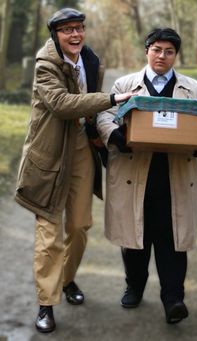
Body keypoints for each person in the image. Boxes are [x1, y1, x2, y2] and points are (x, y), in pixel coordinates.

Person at [15, 7, 134, 333]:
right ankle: (46, 303)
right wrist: (109, 98)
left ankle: (66, 280)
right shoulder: (45, 65)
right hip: (49, 155)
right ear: (56, 34)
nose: (75, 35)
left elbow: (91, 115)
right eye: (68, 29)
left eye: (79, 28)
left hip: (82, 149)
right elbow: (62, 104)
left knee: (80, 226)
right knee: (49, 235)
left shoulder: (91, 60)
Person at [97, 28, 197, 324]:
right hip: (134, 175)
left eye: (168, 51)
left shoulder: (192, 87)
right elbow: (104, 114)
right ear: (146, 50)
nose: (161, 56)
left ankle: (173, 299)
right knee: (135, 239)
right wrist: (115, 136)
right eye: (157, 49)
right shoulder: (126, 83)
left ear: (175, 55)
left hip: (175, 177)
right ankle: (134, 287)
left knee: (172, 240)